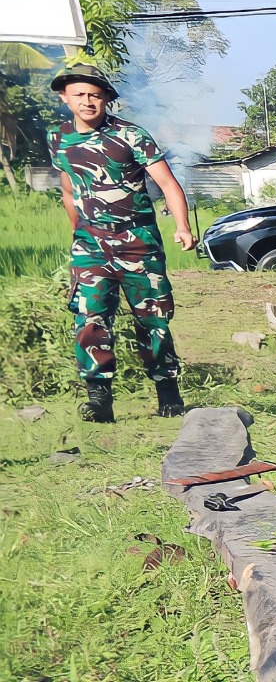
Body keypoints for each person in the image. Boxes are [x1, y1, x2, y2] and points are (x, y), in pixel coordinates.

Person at [49, 63, 194, 424]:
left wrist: (182, 226)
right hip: (90, 246)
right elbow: (69, 189)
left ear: (106, 100)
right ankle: (98, 398)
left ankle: (167, 391)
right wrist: (76, 235)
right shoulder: (58, 138)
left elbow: (168, 183)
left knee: (153, 321)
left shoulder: (131, 136)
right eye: (80, 94)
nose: (87, 101)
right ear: (65, 98)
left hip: (138, 245)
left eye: (95, 95)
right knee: (89, 317)